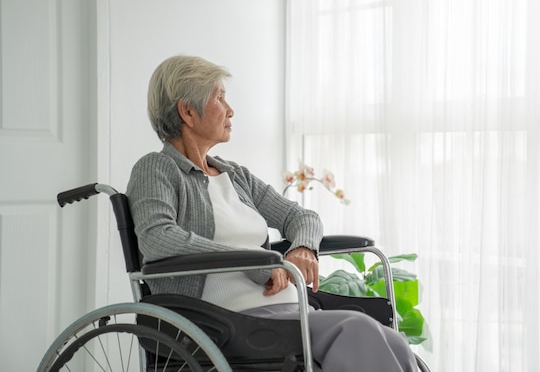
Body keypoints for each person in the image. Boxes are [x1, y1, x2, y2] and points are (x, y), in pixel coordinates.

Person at [126, 54, 418, 371]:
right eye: (220, 98)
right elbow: (158, 239)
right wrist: (258, 264)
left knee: (394, 341)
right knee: (356, 330)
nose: (230, 109)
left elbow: (302, 217)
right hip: (222, 321)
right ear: (187, 111)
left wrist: (303, 248)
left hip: (285, 312)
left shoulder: (235, 175)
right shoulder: (156, 169)